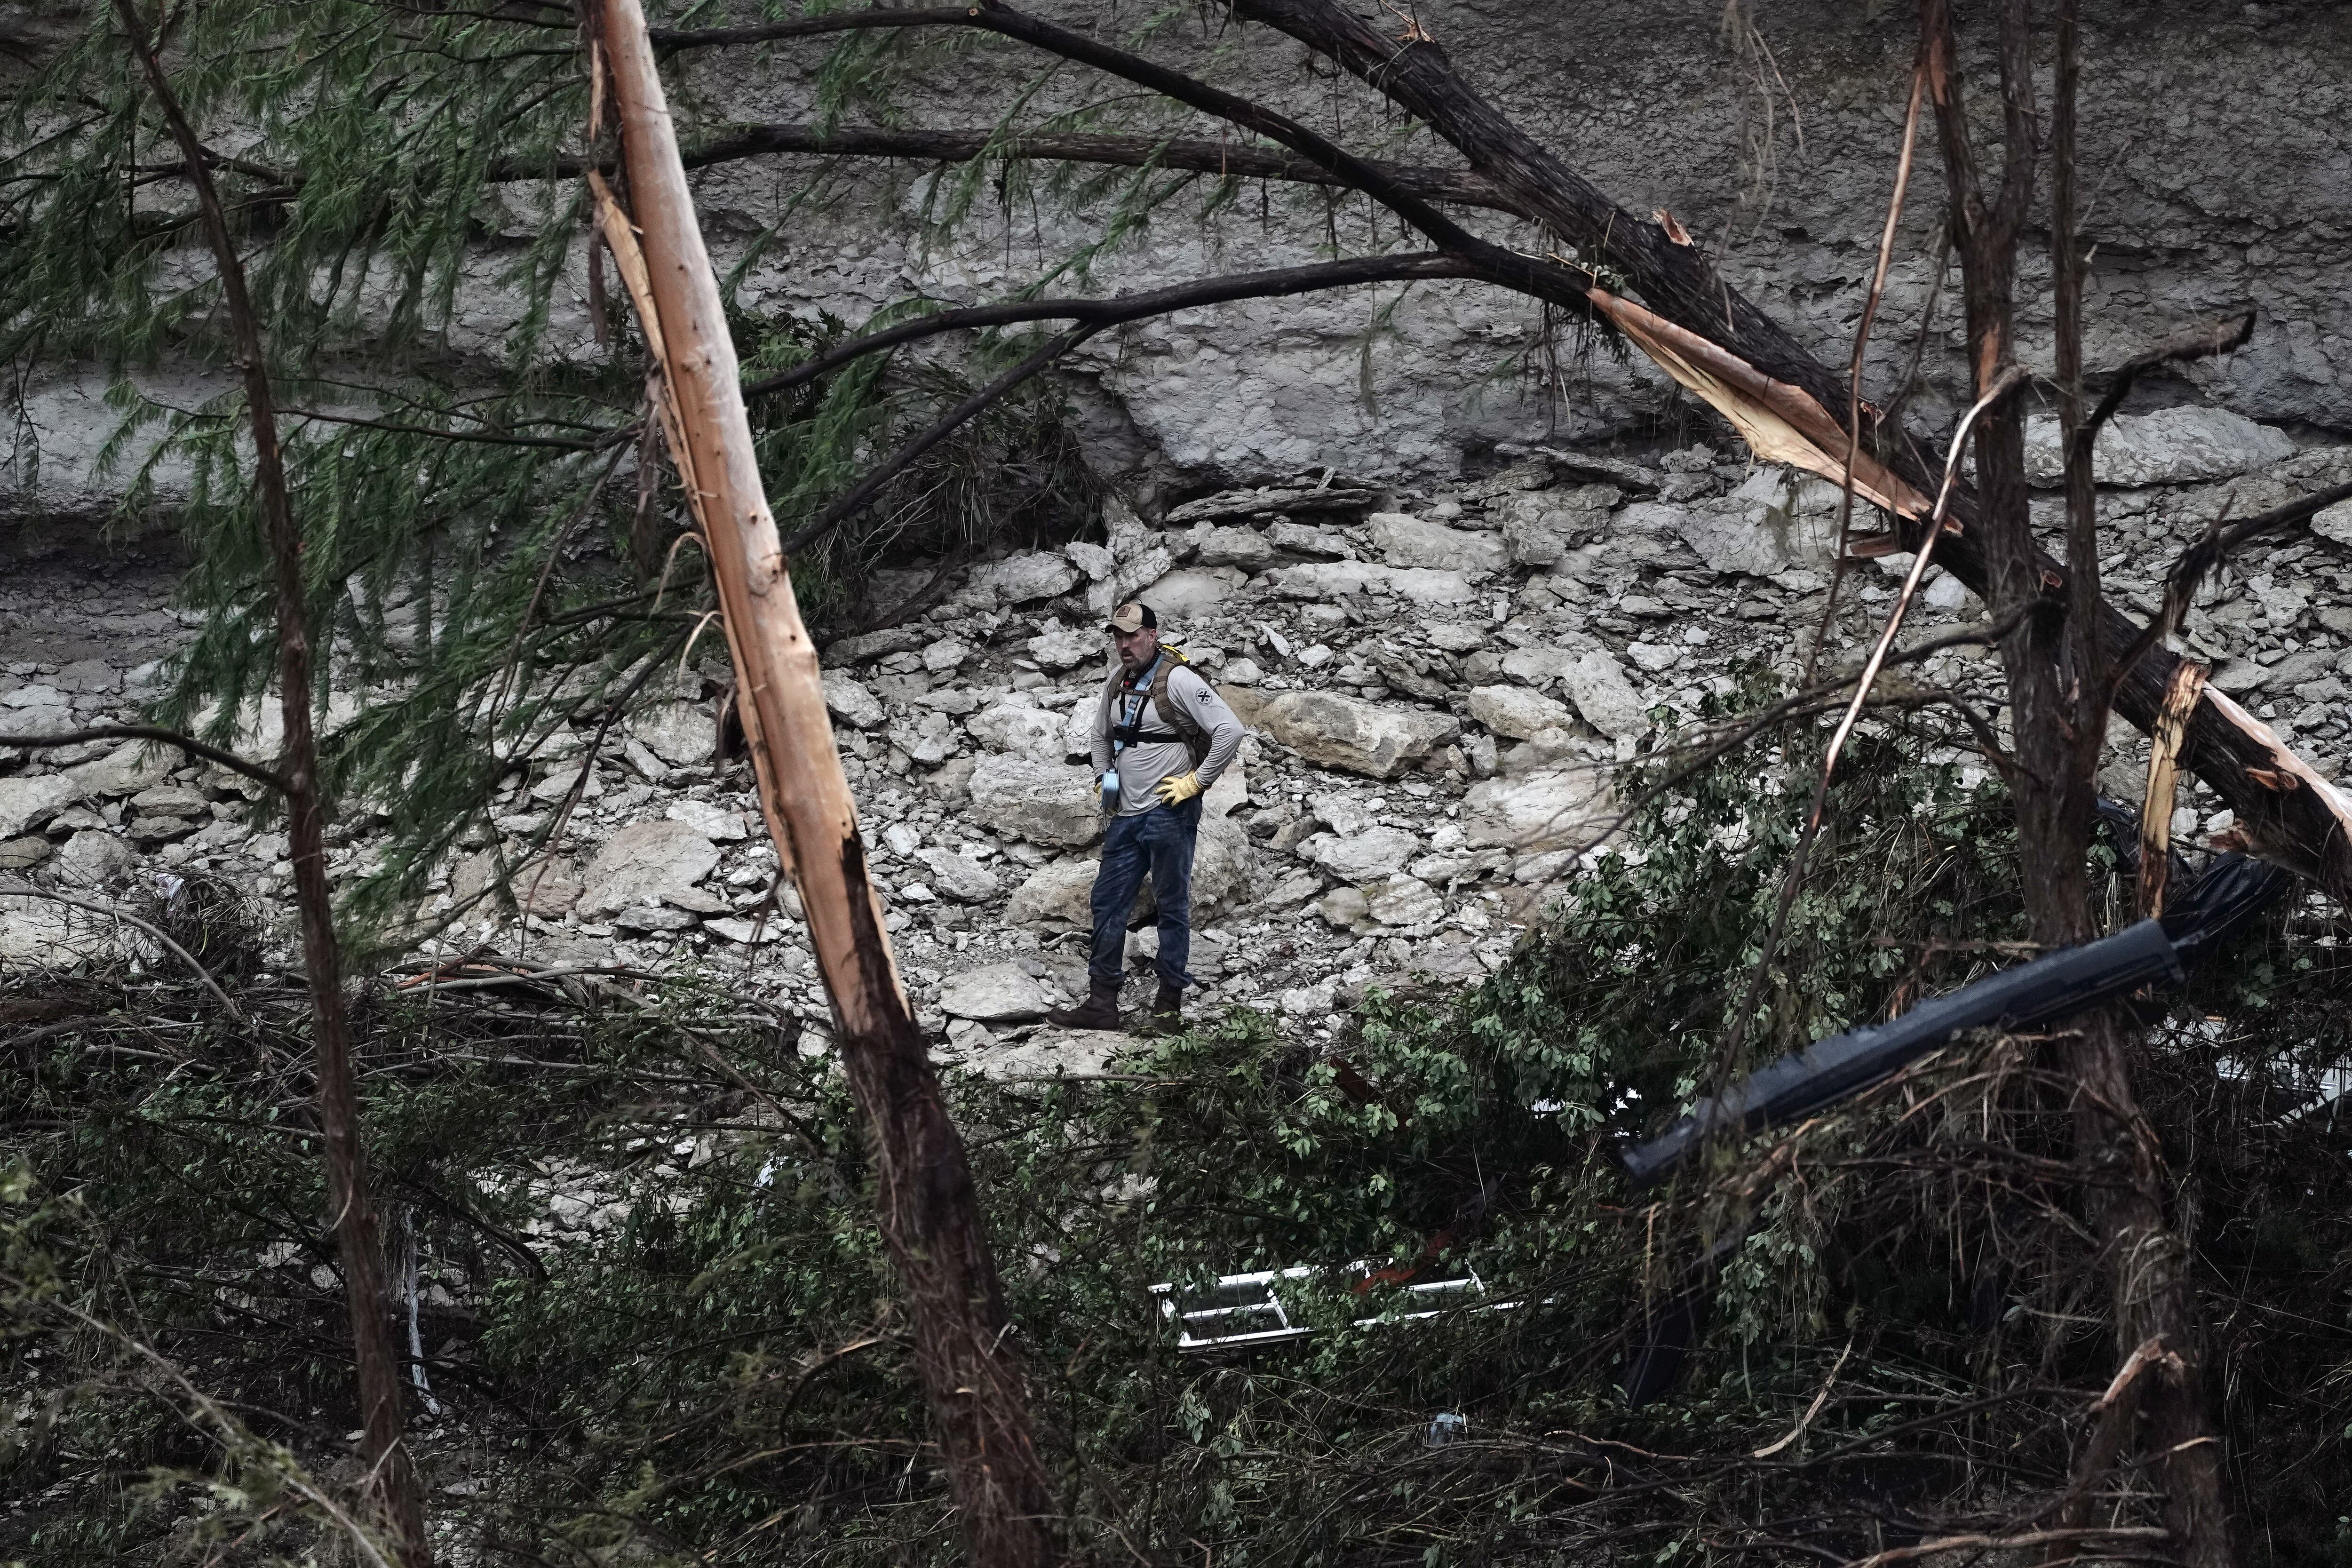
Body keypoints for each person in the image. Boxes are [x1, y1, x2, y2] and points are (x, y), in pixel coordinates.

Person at [1045, 601, 1245, 1034]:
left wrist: (1197, 782)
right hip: (1126, 813)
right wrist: (1104, 780)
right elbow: (1101, 735)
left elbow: (1231, 730)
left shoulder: (1179, 679)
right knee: (1107, 902)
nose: (1124, 644)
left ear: (1152, 635)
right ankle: (1102, 1004)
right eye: (1118, 636)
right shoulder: (1118, 681)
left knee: (1171, 906)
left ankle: (1168, 1009)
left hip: (1170, 811)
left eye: (1132, 635)